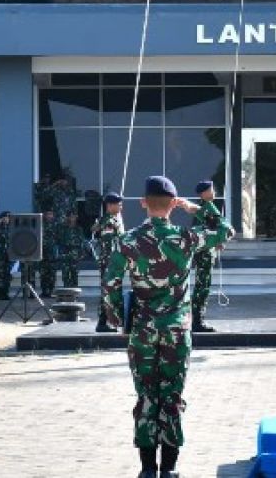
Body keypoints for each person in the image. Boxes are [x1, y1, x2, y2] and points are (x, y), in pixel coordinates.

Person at [105, 175, 232, 478]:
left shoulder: (127, 241)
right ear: (173, 203)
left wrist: (118, 322)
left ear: (143, 203)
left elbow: (110, 283)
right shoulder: (186, 238)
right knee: (171, 397)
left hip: (143, 331)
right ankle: (170, 469)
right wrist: (198, 208)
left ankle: (147, 469)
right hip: (176, 332)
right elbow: (226, 230)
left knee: (147, 397)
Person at [191, 180, 222, 333]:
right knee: (202, 287)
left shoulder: (206, 208)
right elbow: (202, 231)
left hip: (207, 253)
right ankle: (197, 320)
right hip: (204, 254)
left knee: (203, 286)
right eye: (211, 189)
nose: (214, 191)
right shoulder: (205, 209)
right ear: (203, 193)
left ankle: (197, 319)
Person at [95, 192, 126, 334]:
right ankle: (102, 322)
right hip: (109, 261)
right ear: (109, 205)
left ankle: (109, 321)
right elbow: (109, 244)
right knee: (107, 291)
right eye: (118, 204)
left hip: (114, 261)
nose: (121, 206)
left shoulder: (114, 219)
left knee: (112, 291)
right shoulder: (108, 221)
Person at [58, 210, 85, 288]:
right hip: (65, 252)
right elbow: (59, 240)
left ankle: (74, 291)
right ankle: (66, 290)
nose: (72, 218)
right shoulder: (63, 229)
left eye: (74, 217)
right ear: (68, 217)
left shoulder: (79, 229)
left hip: (75, 253)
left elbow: (82, 242)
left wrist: (82, 253)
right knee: (65, 273)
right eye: (71, 216)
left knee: (74, 273)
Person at [38, 208, 58, 297]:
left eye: (51, 214)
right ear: (44, 215)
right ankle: (44, 291)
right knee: (43, 274)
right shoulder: (41, 225)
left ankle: (51, 290)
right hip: (43, 253)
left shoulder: (56, 225)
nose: (49, 216)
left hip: (52, 253)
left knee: (52, 274)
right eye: (48, 214)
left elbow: (59, 237)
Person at [0, 211, 13, 300]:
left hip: (8, 255)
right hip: (0, 255)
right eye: (5, 217)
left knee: (7, 275)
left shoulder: (11, 228)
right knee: (0, 275)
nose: (7, 219)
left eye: (8, 218)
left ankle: (6, 293)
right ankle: (0, 294)